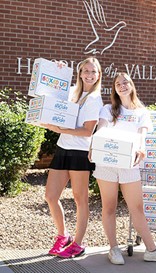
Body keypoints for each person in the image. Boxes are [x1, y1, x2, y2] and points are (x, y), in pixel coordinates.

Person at [91, 72, 156, 265]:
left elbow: (142, 134)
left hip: (129, 165)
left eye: (125, 82)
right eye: (118, 83)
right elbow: (101, 130)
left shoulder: (141, 112)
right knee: (109, 207)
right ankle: (113, 249)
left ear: (132, 85)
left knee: (136, 208)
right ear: (114, 88)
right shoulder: (108, 109)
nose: (122, 86)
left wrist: (142, 147)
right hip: (107, 164)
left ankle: (152, 250)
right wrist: (93, 146)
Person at [43, 57, 103, 258]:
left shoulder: (95, 99)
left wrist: (61, 128)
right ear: (79, 72)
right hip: (62, 149)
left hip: (80, 154)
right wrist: (57, 69)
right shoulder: (70, 92)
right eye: (86, 70)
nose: (89, 74)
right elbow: (49, 91)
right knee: (50, 196)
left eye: (93, 71)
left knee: (80, 199)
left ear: (98, 75)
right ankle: (63, 236)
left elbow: (87, 132)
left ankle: (78, 243)